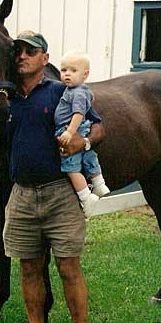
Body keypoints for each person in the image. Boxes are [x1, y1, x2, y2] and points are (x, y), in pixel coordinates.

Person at [2, 30, 104, 323]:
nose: (21, 56)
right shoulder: (7, 96)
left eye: (30, 51)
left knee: (67, 267)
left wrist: (83, 144)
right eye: (18, 50)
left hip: (60, 193)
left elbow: (99, 128)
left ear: (45, 59)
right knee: (28, 265)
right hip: (22, 195)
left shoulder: (63, 90)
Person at [54, 51, 110, 218]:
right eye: (64, 70)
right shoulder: (76, 90)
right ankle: (99, 183)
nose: (67, 74)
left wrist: (70, 132)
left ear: (85, 74)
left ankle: (86, 197)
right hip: (77, 130)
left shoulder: (77, 92)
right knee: (88, 155)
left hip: (71, 131)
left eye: (73, 70)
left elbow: (78, 113)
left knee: (71, 168)